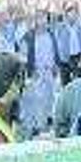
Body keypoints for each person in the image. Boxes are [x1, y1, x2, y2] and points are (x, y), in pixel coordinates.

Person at [19, 10, 63, 138]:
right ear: (35, 20)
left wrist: (56, 66)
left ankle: (48, 123)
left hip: (49, 74)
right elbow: (22, 57)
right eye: (39, 18)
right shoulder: (28, 37)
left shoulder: (51, 35)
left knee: (49, 99)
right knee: (36, 101)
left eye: (44, 18)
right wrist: (29, 71)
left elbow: (56, 53)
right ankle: (36, 127)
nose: (42, 21)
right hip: (36, 74)